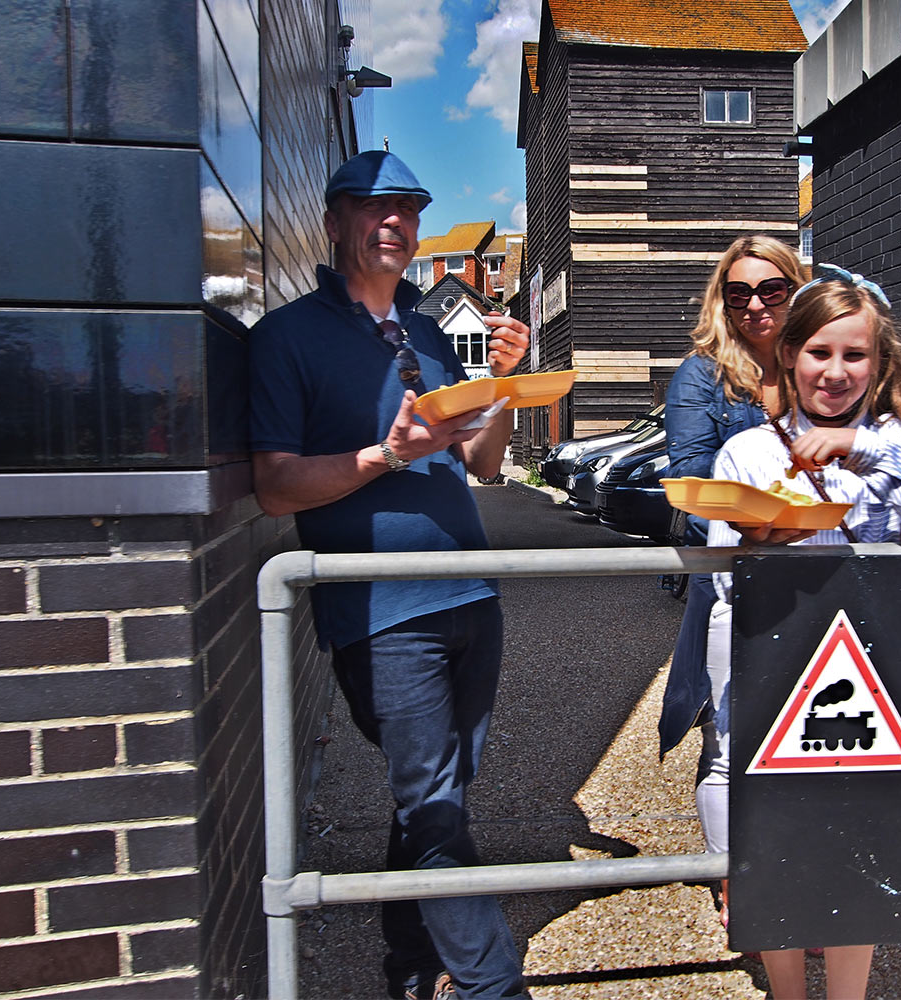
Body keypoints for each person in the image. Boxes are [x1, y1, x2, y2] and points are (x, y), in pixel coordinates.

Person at [249, 151, 530, 1000]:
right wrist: (383, 455)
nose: (394, 222)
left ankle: (409, 965)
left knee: (439, 797)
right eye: (374, 207)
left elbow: (482, 463)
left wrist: (504, 386)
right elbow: (273, 487)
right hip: (380, 610)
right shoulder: (284, 338)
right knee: (434, 801)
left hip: (470, 593)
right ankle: (494, 989)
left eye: (407, 207)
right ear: (334, 220)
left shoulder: (431, 325)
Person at [701, 269, 901, 999]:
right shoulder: (749, 453)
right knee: (775, 829)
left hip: (872, 672)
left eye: (856, 356)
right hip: (778, 660)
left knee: (864, 828)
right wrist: (763, 537)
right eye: (820, 352)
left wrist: (876, 454)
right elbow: (726, 571)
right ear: (789, 354)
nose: (836, 371)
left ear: (878, 366)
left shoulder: (894, 444)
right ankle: (787, 988)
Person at [659, 235, 809, 769]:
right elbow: (691, 474)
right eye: (738, 292)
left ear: (796, 291)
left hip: (815, 567)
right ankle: (725, 854)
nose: (754, 304)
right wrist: (776, 506)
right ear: (721, 300)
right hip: (730, 570)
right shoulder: (702, 374)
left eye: (771, 289)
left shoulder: (818, 366)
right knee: (727, 732)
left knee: (809, 721)